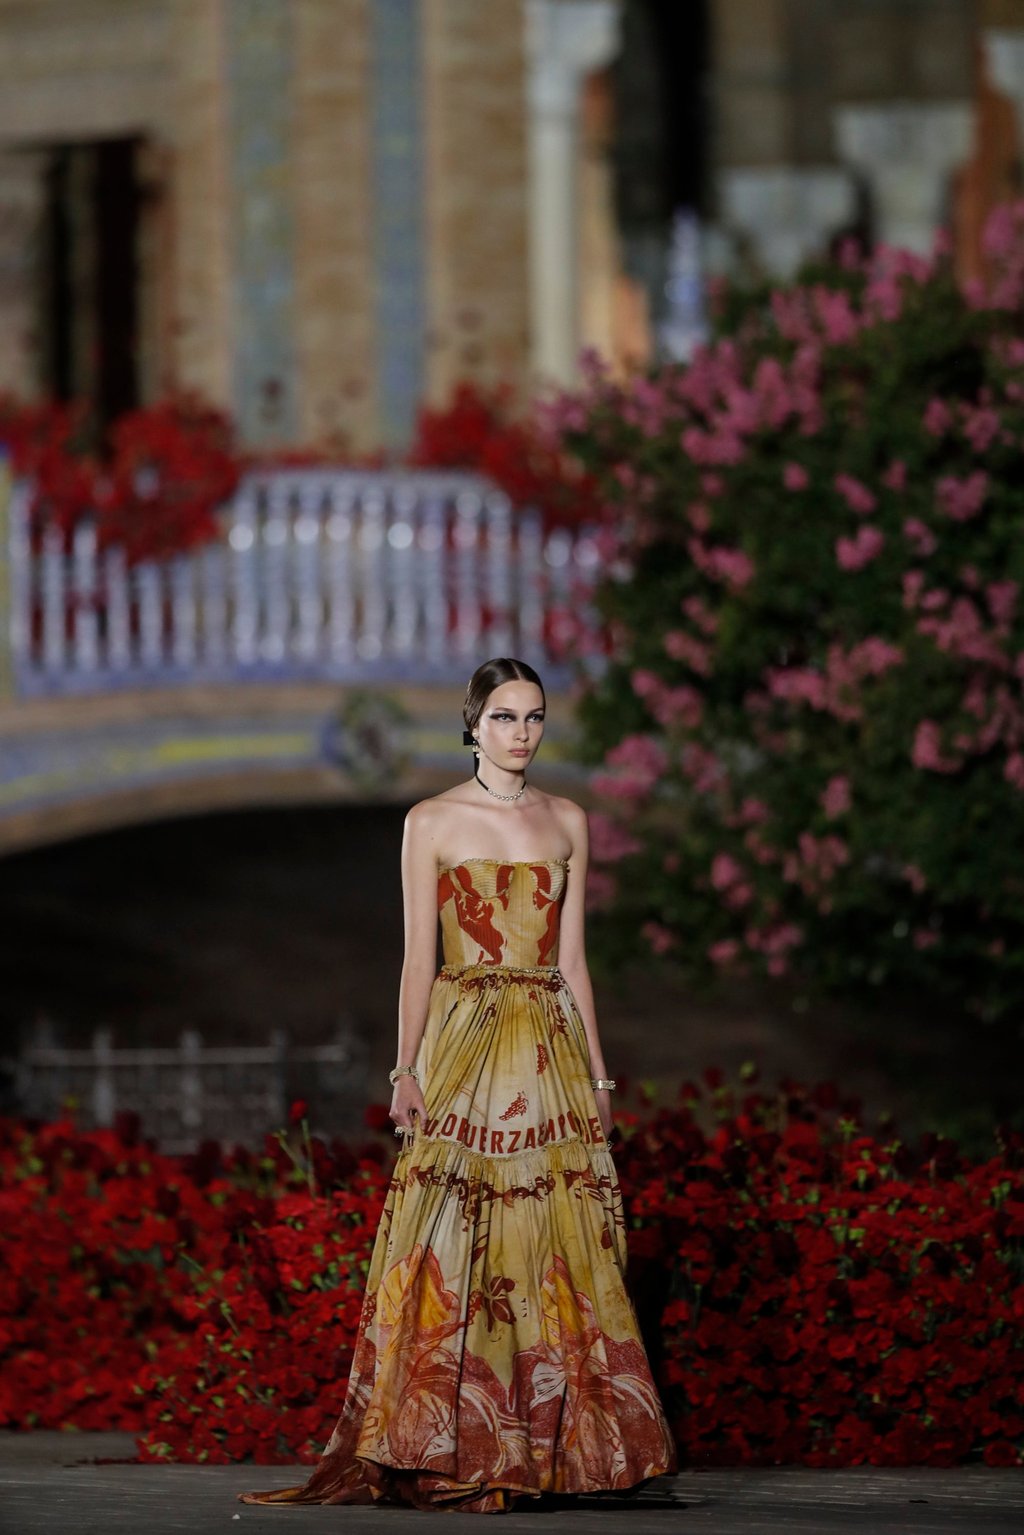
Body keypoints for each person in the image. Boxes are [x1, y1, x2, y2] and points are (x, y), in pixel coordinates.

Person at [237, 656, 677, 1513]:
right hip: (467, 1039)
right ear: (472, 723)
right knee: (452, 1234)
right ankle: (453, 1436)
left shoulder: (568, 820)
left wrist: (598, 1073)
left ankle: (564, 1445)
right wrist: (406, 1068)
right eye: (505, 716)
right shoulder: (431, 820)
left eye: (535, 716)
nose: (522, 732)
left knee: (552, 1235)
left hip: (547, 1038)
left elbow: (574, 963)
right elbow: (418, 960)